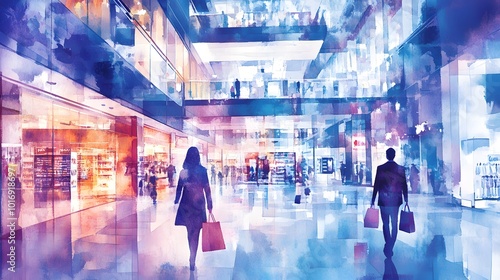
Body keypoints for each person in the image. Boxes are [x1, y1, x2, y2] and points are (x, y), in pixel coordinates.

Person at [174, 147, 213, 271]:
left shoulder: (183, 172)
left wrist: (176, 201)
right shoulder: (202, 171)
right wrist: (209, 204)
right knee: (196, 232)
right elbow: (207, 188)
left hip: (186, 205)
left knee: (189, 231)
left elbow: (179, 189)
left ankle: (191, 255)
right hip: (198, 205)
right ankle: (193, 258)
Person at [371, 148, 408, 258]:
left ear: (387, 155)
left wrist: (373, 199)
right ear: (394, 155)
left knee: (385, 223)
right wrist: (406, 199)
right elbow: (404, 185)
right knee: (394, 223)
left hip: (383, 200)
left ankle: (388, 243)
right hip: (396, 200)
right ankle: (390, 245)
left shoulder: (380, 168)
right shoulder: (400, 169)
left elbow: (376, 185)